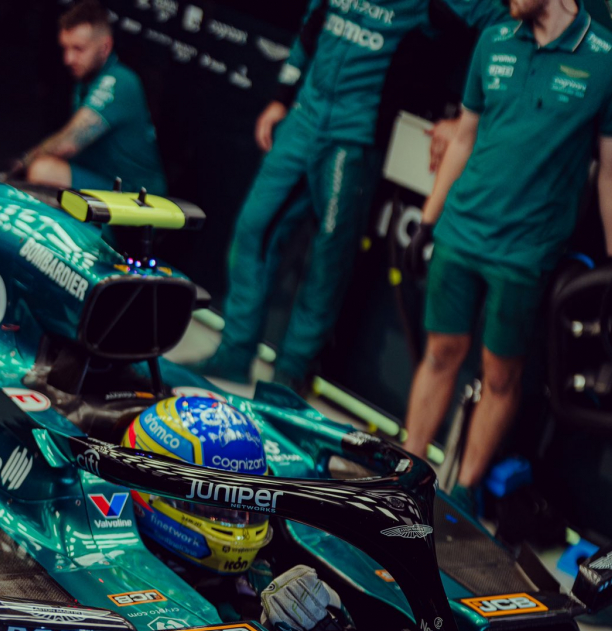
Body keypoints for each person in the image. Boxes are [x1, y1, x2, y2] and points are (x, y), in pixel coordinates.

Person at [195, 0, 505, 394]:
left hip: (354, 136)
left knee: (329, 258)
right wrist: (281, 97)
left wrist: (464, 116)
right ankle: (234, 354)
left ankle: (291, 375)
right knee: (253, 229)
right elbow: (311, 26)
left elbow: (500, 23)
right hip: (303, 118)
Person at [403, 0, 612, 512]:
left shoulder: (610, 62)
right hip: (461, 231)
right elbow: (464, 137)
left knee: (500, 375)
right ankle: (405, 475)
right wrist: (429, 219)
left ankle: (460, 499)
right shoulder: (494, 40)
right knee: (440, 353)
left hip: (525, 253)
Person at [123, 393, 343, 631]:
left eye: (248, 504)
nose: (238, 520)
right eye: (213, 507)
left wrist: (328, 623)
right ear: (149, 493)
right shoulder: (119, 574)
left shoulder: (263, 580)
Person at [17, 0, 165, 196]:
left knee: (43, 170)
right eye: (65, 48)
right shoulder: (85, 80)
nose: (68, 59)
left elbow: (66, 144)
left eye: (78, 49)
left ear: (105, 47)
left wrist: (21, 164)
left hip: (137, 196)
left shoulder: (119, 80)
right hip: (103, 180)